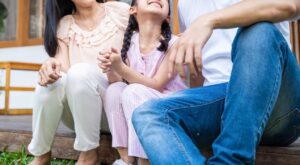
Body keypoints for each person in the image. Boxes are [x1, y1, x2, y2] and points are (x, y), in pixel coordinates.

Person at [132, 0, 300, 164]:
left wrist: (209, 20)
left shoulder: (202, 19)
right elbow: (196, 70)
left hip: (278, 103)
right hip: (221, 107)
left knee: (258, 31)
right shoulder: (185, 4)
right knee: (148, 113)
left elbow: (291, 5)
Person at [28, 0, 129, 165]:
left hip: (117, 111)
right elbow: (62, 69)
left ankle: (89, 154)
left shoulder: (120, 12)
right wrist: (51, 66)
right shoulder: (65, 24)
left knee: (81, 71)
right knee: (51, 82)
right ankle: (41, 155)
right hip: (80, 115)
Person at [98, 0, 187, 164]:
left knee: (133, 91)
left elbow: (157, 84)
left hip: (169, 107)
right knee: (115, 89)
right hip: (139, 102)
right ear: (133, 10)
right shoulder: (130, 44)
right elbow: (117, 80)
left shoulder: (175, 44)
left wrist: (121, 67)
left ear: (167, 17)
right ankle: (126, 158)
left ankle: (145, 161)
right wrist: (111, 66)